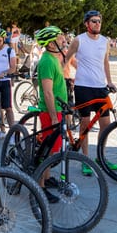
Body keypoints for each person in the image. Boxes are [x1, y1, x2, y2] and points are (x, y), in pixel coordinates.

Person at [64, 10, 116, 161]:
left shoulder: (105, 41)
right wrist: (63, 78)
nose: (97, 23)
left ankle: (101, 157)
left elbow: (105, 62)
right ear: (87, 24)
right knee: (85, 125)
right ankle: (85, 159)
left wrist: (110, 81)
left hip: (100, 87)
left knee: (106, 124)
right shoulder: (78, 40)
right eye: (93, 21)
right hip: (83, 87)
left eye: (99, 21)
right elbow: (67, 59)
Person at [34, 26, 68, 188]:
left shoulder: (55, 58)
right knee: (47, 151)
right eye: (60, 37)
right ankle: (40, 187)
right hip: (50, 112)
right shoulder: (47, 61)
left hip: (57, 110)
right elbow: (47, 93)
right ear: (52, 44)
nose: (64, 40)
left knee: (52, 149)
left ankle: (46, 178)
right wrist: (54, 116)